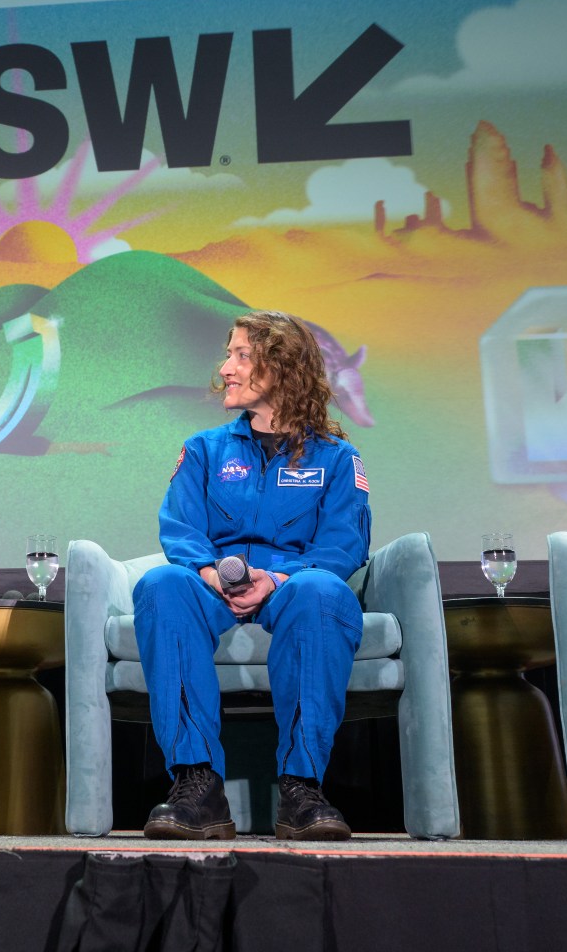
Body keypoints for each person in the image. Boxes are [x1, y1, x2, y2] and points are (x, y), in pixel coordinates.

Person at [133, 310, 373, 840]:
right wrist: (208, 571)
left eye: (243, 355)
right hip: (213, 583)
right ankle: (198, 787)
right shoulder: (203, 450)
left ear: (283, 368)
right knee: (160, 585)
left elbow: (342, 543)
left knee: (320, 591)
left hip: (292, 585)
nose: (227, 368)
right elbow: (180, 526)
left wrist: (279, 579)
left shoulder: (336, 458)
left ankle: (302, 790)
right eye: (230, 354)